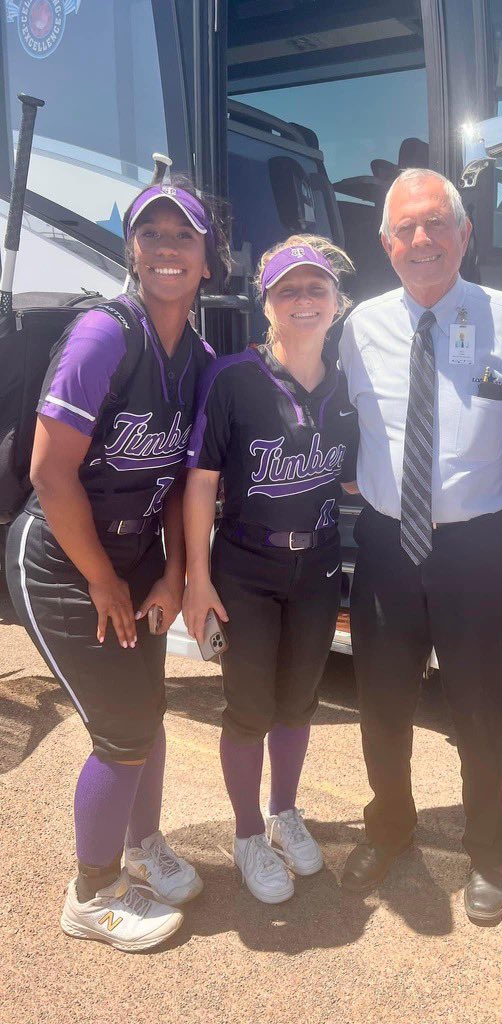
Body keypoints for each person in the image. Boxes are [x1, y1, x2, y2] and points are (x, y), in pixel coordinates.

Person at [5, 181, 231, 951]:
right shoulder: (106, 335)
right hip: (63, 558)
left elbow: (180, 477)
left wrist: (170, 573)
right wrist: (103, 579)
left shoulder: (200, 356)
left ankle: (140, 847)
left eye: (185, 237)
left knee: (147, 710)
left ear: (207, 260)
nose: (168, 248)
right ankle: (92, 891)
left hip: (135, 558)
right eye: (152, 235)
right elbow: (49, 471)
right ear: (132, 251)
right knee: (123, 726)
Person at [338, 168, 502, 922]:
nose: (422, 240)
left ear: (465, 234)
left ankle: (490, 851)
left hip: (478, 549)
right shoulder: (358, 326)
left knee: (481, 710)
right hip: (387, 546)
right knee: (382, 705)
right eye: (406, 229)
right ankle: (391, 828)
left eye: (437, 224)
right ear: (385, 242)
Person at [183, 235, 357, 904]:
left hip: (315, 564)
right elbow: (201, 483)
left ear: (337, 303)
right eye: (289, 290)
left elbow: (353, 482)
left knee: (298, 702)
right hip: (246, 567)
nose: (304, 300)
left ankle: (285, 812)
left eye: (317, 289)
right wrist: (197, 579)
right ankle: (249, 832)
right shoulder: (234, 377)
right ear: (268, 304)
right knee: (249, 707)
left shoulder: (345, 386)